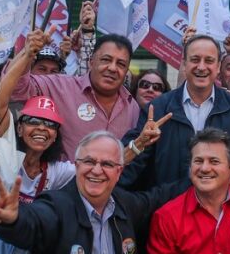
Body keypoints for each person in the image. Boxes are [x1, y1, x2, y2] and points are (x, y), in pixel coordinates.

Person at [0, 131, 188, 254]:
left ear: (119, 172)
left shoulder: (125, 205)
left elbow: (157, 197)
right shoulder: (56, 206)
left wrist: (199, 179)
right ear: (76, 165)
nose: (97, 170)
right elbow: (32, 222)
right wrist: (11, 219)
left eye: (107, 164)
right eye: (89, 161)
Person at [119, 35, 230, 190]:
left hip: (219, 207)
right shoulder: (158, 109)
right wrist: (137, 145)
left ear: (218, 66)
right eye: (195, 60)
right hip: (168, 206)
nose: (201, 67)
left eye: (209, 60)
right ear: (184, 64)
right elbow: (132, 164)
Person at [10, 31, 140, 160]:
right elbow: (15, 89)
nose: (112, 68)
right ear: (91, 62)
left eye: (121, 64)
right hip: (64, 180)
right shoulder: (59, 86)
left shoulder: (132, 107)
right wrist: (26, 55)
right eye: (106, 60)